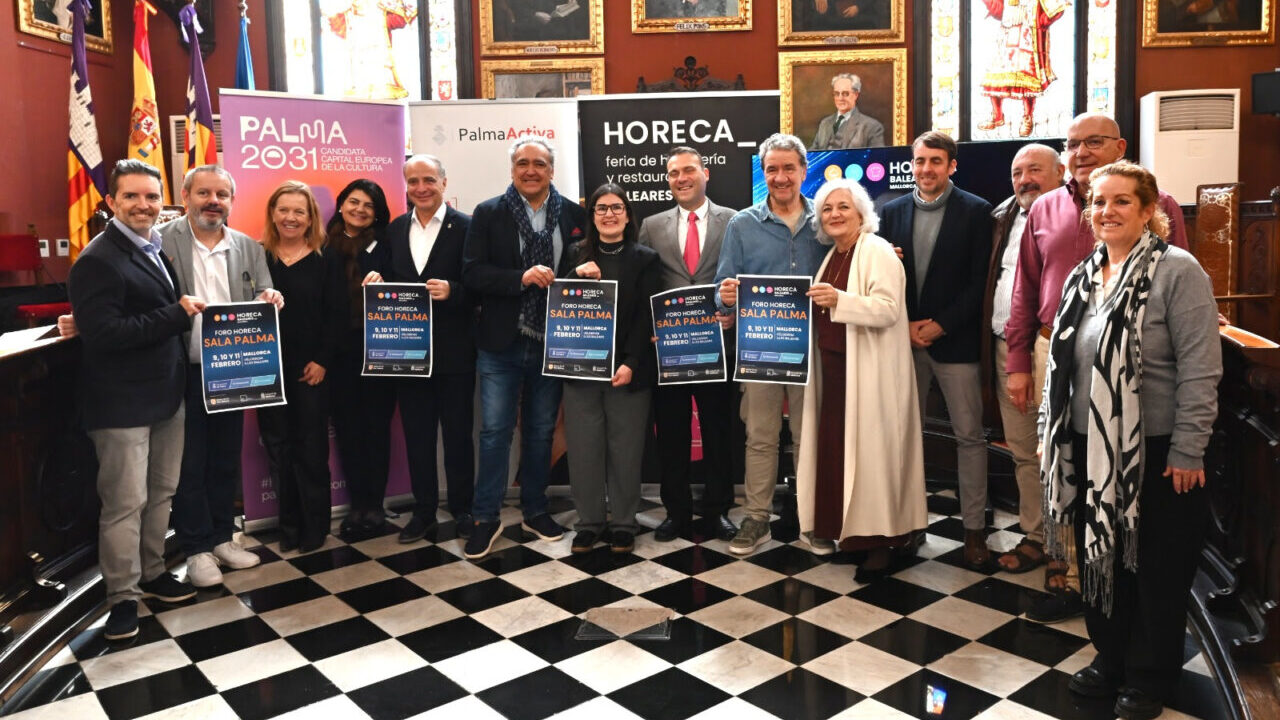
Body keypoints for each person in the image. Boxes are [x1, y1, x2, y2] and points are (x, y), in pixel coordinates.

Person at [1041, 161, 1221, 720]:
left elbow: (1200, 367)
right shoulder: (1084, 273)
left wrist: (1190, 447)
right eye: (1098, 202)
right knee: (1105, 560)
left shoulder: (1177, 272)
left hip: (1157, 448)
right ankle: (1112, 658)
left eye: (1122, 202)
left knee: (1156, 568)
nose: (1106, 212)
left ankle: (1150, 675)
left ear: (1150, 212)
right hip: (1088, 446)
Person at [1005, 112, 1188, 622]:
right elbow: (1024, 290)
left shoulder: (1161, 205)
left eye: (1093, 142)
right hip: (1055, 356)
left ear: (1120, 146)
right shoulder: (1043, 208)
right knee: (1060, 462)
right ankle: (1063, 577)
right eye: (1072, 144)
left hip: (1132, 368)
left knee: (1112, 470)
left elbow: (1178, 294)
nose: (1080, 152)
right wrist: (1019, 360)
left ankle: (1116, 578)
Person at [68, 159, 206, 640]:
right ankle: (122, 598)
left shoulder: (153, 247)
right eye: (132, 197)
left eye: (151, 196)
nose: (144, 205)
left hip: (166, 396)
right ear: (111, 202)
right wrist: (176, 315)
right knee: (125, 504)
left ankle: (152, 573)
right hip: (121, 405)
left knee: (161, 493)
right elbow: (103, 334)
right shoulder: (97, 259)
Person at [462, 137, 587, 560]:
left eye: (538, 163)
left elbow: (577, 274)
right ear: (512, 169)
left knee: (540, 431)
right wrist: (520, 278)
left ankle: (535, 509)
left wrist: (580, 271)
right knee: (495, 433)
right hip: (500, 342)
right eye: (522, 163)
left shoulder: (573, 214)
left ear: (552, 170)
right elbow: (473, 274)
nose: (530, 170)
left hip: (555, 340)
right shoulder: (488, 213)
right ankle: (485, 517)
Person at [797, 179, 926, 582]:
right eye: (827, 209)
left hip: (870, 374)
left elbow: (888, 309)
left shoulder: (877, 250)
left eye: (843, 208)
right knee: (840, 456)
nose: (834, 215)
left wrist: (841, 301)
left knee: (872, 458)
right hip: (836, 372)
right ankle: (850, 538)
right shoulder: (834, 253)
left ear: (861, 213)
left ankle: (882, 544)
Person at [162, 165, 283, 588]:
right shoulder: (162, 242)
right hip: (182, 371)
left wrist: (271, 297)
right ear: (185, 195)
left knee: (224, 458)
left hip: (234, 369)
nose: (213, 201)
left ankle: (221, 537)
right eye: (204, 193)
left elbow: (265, 294)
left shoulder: (248, 246)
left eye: (222, 194)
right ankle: (195, 549)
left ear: (232, 200)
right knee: (189, 463)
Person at [879, 131, 994, 571]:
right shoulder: (890, 213)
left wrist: (940, 325)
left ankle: (974, 532)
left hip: (956, 343)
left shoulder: (976, 211)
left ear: (952, 166)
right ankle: (908, 527)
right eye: (919, 161)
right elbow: (884, 277)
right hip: (902, 341)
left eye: (935, 161)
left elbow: (978, 282)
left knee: (969, 437)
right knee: (904, 439)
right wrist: (905, 324)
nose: (926, 169)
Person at [715, 133, 828, 556]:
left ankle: (813, 520)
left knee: (809, 436)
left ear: (803, 170)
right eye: (771, 169)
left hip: (814, 349)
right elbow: (721, 286)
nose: (780, 177)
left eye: (788, 168)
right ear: (763, 174)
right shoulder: (742, 224)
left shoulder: (827, 218)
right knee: (760, 436)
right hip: (760, 349)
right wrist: (723, 295)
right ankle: (756, 518)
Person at [365, 155, 476, 544]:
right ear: (406, 186)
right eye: (413, 182)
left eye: (429, 179)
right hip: (408, 355)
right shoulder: (395, 230)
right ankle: (424, 511)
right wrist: (375, 279)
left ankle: (463, 509)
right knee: (418, 436)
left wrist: (454, 291)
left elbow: (481, 285)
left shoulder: (467, 227)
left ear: (444, 183)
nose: (421, 188)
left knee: (459, 436)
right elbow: (384, 278)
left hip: (455, 353)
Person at [638, 146, 738, 543]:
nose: (682, 178)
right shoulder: (651, 225)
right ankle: (676, 513)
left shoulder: (733, 220)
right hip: (670, 349)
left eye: (689, 170)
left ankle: (718, 512)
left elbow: (741, 277)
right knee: (673, 435)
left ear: (705, 173)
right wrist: (650, 327)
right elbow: (644, 283)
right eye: (674, 173)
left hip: (718, 347)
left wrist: (735, 312)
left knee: (719, 433)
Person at [562, 184, 662, 554]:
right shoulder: (575, 254)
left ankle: (623, 522)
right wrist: (574, 278)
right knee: (585, 449)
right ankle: (588, 522)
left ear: (627, 214)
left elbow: (645, 318)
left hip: (627, 371)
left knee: (626, 449)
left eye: (616, 207)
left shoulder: (645, 258)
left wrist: (632, 363)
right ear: (591, 217)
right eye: (601, 208)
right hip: (580, 368)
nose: (608, 214)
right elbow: (557, 304)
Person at [981, 144, 1064, 579]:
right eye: (1017, 172)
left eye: (1035, 169)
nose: (1024, 179)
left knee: (1064, 450)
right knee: (1023, 450)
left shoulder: (1076, 215)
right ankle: (1036, 535)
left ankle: (1066, 548)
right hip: (1004, 347)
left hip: (1054, 347)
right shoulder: (1001, 216)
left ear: (1060, 173)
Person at [257, 181, 347, 553]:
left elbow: (337, 315)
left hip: (312, 369)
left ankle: (315, 526)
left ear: (310, 217)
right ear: (272, 214)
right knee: (278, 448)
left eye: (299, 211)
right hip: (266, 369)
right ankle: (288, 525)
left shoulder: (327, 258)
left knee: (311, 450)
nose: (290, 218)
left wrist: (323, 360)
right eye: (283, 210)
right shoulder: (257, 255)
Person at [325, 179, 394, 542]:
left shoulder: (387, 243)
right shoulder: (323, 243)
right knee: (349, 431)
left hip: (380, 350)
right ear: (341, 205)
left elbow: (405, 287)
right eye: (354, 202)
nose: (360, 210)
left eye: (368, 205)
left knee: (376, 430)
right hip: (339, 353)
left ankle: (376, 504)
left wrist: (386, 282)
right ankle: (357, 505)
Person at [976, 0, 1068, 137]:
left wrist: (1042, 20)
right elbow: (998, 9)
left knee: (1027, 77)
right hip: (1007, 33)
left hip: (1027, 36)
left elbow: (1051, 10)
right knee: (996, 74)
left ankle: (1027, 117)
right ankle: (997, 115)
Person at [810, 74, 887, 150]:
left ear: (856, 95)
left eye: (845, 94)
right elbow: (812, 155)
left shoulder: (871, 127)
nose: (840, 98)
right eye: (837, 94)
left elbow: (876, 160)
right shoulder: (825, 124)